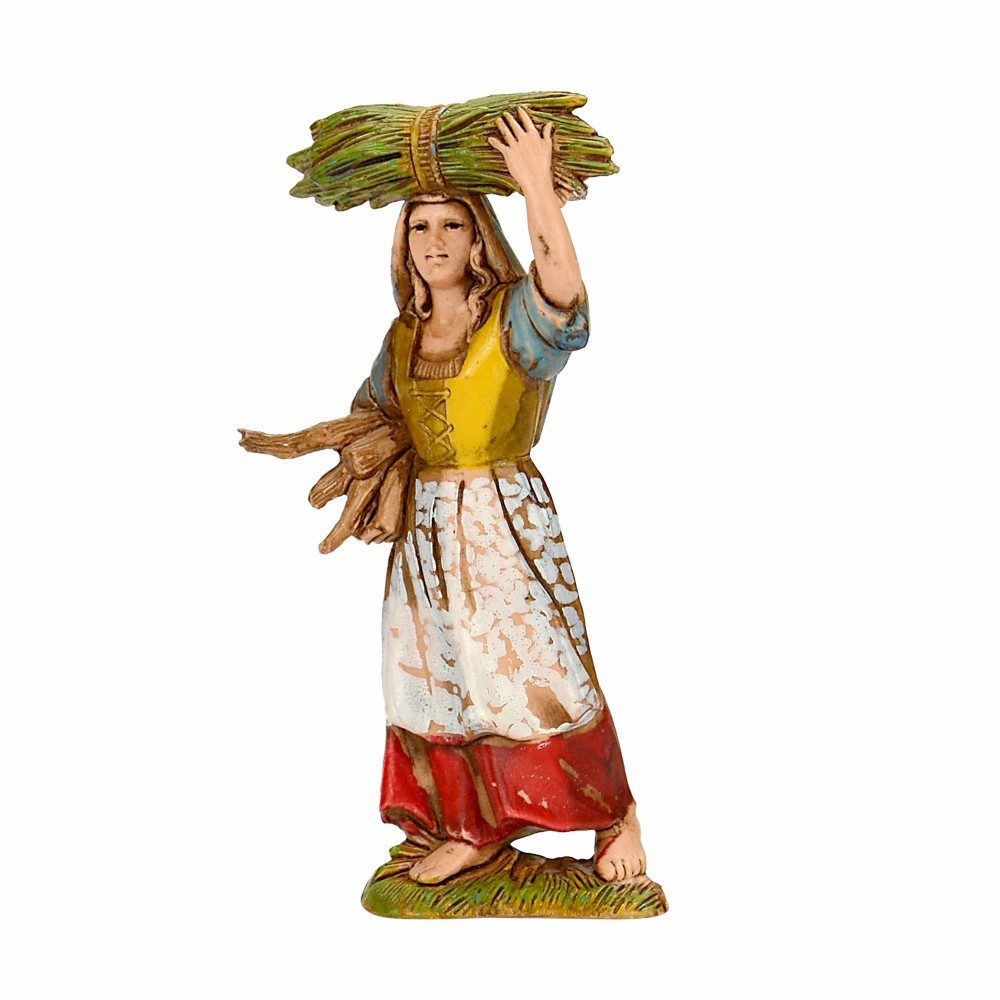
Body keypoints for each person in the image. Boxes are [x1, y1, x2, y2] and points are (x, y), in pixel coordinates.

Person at [363, 109, 648, 885]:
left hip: (501, 520)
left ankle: (614, 815)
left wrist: (535, 186)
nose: (434, 242)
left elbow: (563, 289)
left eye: (452, 225)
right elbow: (379, 416)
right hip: (424, 533)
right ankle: (472, 826)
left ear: (479, 237)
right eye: (420, 227)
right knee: (441, 679)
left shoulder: (513, 318)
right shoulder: (402, 336)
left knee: (538, 672)